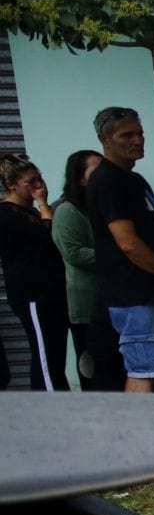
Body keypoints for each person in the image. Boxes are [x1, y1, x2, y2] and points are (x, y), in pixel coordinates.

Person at [87, 106, 154, 393]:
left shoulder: (136, 180)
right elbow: (128, 243)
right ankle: (134, 436)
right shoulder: (107, 180)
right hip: (131, 295)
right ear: (105, 139)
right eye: (126, 135)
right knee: (142, 370)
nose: (137, 140)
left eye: (140, 133)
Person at [51, 148, 121, 390]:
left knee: (118, 368)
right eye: (96, 169)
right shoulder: (67, 211)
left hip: (115, 299)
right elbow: (75, 253)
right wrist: (118, 253)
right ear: (80, 178)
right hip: (87, 304)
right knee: (94, 370)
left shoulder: (102, 206)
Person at [0, 153, 70, 391]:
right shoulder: (7, 213)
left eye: (39, 178)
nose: (39, 186)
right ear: (12, 185)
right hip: (32, 294)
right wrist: (42, 203)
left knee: (54, 354)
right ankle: (52, 410)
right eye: (31, 182)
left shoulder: (31, 212)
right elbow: (47, 233)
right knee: (45, 356)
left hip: (53, 292)